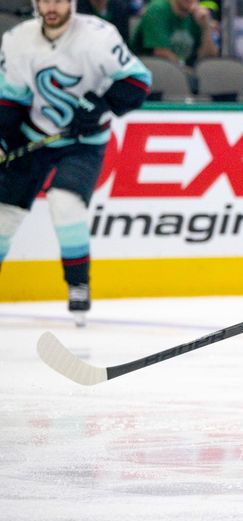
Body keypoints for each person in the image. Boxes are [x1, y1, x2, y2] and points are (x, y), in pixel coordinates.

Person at [0, 0, 151, 326]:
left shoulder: (98, 35)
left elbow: (138, 82)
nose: (51, 6)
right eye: (44, 0)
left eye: (58, 0)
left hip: (84, 143)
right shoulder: (17, 39)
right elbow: (10, 100)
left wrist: (100, 105)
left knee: (65, 202)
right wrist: (3, 140)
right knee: (3, 216)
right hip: (34, 136)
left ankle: (78, 283)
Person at [130, 0, 219, 67]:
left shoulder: (197, 15)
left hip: (183, 77)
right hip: (153, 76)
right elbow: (161, 53)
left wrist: (206, 28)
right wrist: (189, 73)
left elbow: (209, 59)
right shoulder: (158, 8)